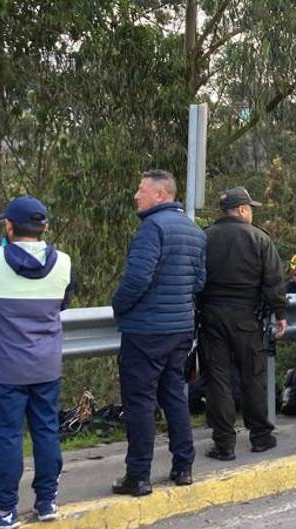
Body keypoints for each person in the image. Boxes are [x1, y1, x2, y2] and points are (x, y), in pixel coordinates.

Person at [0, 196, 73, 529]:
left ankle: (4, 510)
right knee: (45, 431)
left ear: (9, 226)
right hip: (46, 366)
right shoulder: (64, 263)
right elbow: (63, 303)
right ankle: (46, 501)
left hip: (4, 370)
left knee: (7, 437)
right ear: (44, 227)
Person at [111, 170, 206, 496]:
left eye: (141, 190)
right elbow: (199, 282)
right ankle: (184, 467)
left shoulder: (151, 229)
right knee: (174, 397)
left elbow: (137, 279)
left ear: (161, 195)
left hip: (146, 331)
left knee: (139, 402)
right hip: (180, 328)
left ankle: (138, 476)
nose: (136, 195)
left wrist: (118, 306)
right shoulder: (194, 231)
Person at [197, 187, 288, 461]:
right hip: (247, 317)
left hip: (211, 316)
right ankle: (260, 436)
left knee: (218, 379)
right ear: (242, 210)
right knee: (252, 377)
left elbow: (195, 277)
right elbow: (273, 281)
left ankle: (224, 443)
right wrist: (279, 313)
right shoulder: (259, 238)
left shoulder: (204, 238)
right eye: (249, 208)